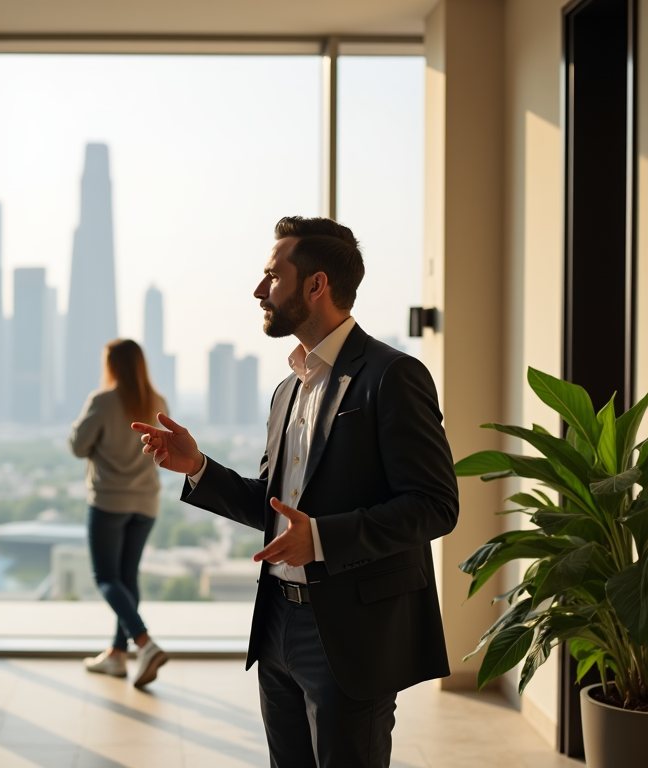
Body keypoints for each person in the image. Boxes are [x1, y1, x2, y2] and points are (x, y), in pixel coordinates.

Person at [132, 217, 459, 768]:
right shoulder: (287, 389)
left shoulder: (392, 375)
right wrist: (199, 468)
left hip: (352, 633)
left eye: (271, 276)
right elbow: (273, 506)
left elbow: (435, 505)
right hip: (279, 624)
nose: (259, 291)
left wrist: (324, 539)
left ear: (316, 285)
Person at [68, 338, 169, 687]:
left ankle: (144, 642)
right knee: (127, 579)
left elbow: (78, 447)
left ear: (111, 366)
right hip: (146, 503)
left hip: (109, 502)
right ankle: (116, 655)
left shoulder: (102, 401)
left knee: (106, 578)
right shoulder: (157, 402)